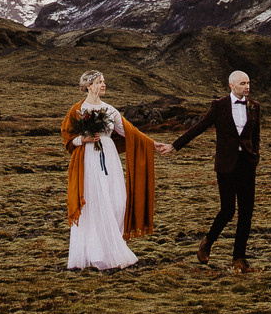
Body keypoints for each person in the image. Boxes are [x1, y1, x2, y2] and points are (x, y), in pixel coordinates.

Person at [61, 69, 172, 271]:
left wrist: (152, 144)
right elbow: (68, 137)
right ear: (88, 86)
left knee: (117, 201)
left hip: (109, 159)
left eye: (104, 81)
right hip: (88, 159)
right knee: (94, 203)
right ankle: (94, 253)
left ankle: (112, 245)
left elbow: (130, 132)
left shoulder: (110, 109)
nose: (103, 85)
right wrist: (83, 139)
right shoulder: (77, 110)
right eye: (99, 82)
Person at [171, 70, 260, 273]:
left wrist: (255, 157)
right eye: (242, 83)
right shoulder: (219, 106)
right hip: (226, 166)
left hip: (247, 165)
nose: (247, 87)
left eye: (248, 83)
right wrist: (175, 146)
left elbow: (256, 136)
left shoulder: (255, 107)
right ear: (231, 86)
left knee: (247, 212)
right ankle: (208, 242)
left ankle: (239, 259)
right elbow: (199, 127)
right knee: (228, 210)